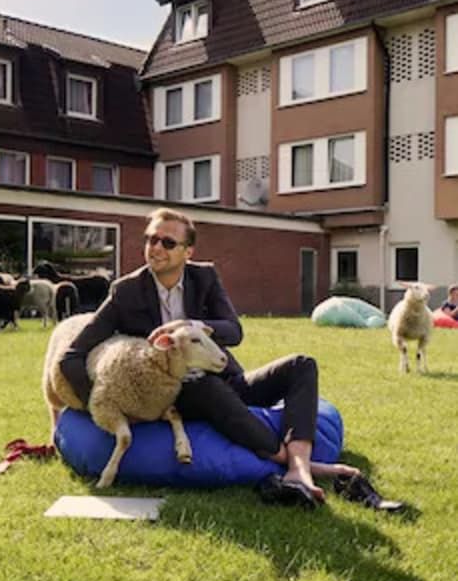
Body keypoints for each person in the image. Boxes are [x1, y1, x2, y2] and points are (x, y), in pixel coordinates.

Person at [58, 207, 403, 511]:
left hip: (224, 374)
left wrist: (195, 325)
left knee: (301, 365)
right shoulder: (126, 291)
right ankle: (298, 464)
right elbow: (72, 356)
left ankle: (299, 468)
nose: (155, 248)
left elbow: (234, 330)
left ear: (188, 251)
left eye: (167, 242)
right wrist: (102, 405)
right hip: (176, 392)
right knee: (206, 389)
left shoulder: (204, 276)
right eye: (151, 239)